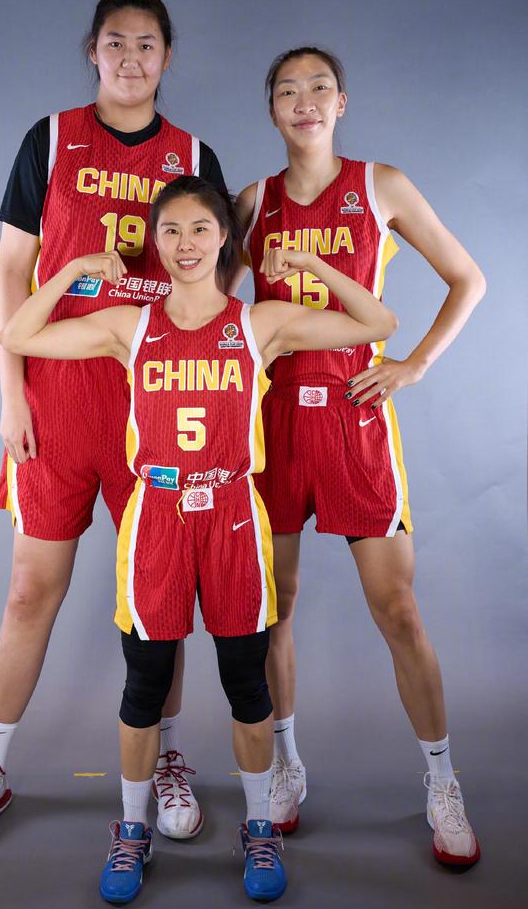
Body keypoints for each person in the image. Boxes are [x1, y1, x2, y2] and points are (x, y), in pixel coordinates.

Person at [0, 175, 397, 902]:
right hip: (157, 514)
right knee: (144, 684)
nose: (186, 244)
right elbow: (18, 336)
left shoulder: (259, 322)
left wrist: (315, 266)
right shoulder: (129, 325)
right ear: (155, 241)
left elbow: (378, 322)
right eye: (171, 230)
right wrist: (75, 268)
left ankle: (259, 827)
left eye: (201, 229)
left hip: (234, 516)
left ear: (224, 240)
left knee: (246, 682)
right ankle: (131, 829)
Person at [0, 0, 227, 851]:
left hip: (155, 401)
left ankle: (166, 757)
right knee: (31, 588)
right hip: (58, 399)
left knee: (160, 597)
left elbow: (214, 283)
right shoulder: (52, 138)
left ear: (168, 57)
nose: (130, 58)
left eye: (147, 44)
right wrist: (11, 392)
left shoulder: (193, 153)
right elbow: (10, 271)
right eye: (115, 43)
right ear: (92, 52)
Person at [235, 46, 485, 865]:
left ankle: (442, 780)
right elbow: (202, 300)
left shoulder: (381, 186)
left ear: (341, 102)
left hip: (354, 415)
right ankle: (286, 765)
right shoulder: (252, 203)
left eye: (319, 88)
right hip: (273, 422)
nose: (304, 101)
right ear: (272, 109)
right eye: (287, 91)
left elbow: (468, 278)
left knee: (398, 610)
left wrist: (414, 363)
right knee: (273, 609)